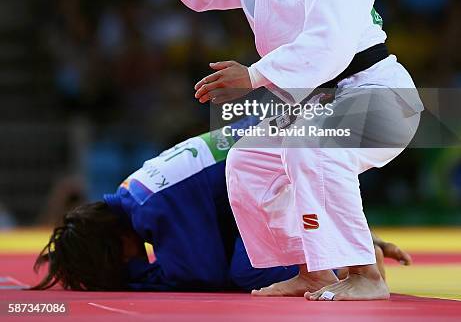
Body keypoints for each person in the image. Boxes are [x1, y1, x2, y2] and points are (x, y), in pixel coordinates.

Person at [141, 0, 423, 301]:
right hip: (322, 102)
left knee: (309, 147)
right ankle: (313, 270)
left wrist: (252, 75)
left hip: (378, 97)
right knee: (249, 162)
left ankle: (366, 276)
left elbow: (328, 43)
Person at [32, 125, 410, 292]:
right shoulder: (135, 193)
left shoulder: (151, 209)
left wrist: (134, 279)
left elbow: (203, 274)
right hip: (278, 159)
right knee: (243, 247)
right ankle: (350, 245)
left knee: (247, 270)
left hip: (279, 162)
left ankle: (346, 261)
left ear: (112, 245)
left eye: (107, 264)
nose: (119, 267)